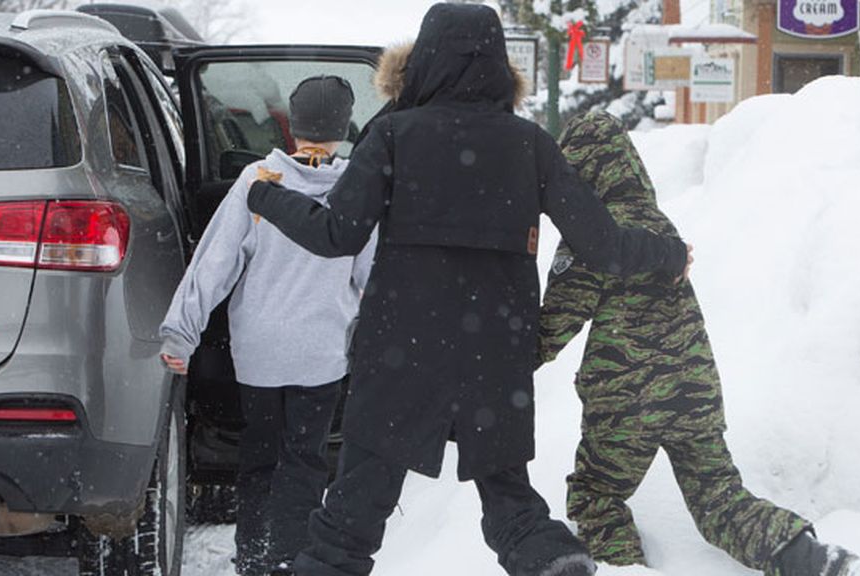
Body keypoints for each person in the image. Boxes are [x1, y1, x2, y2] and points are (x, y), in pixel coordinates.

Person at [246, 5, 691, 576]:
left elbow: (336, 235)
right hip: (495, 352)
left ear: (421, 61)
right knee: (508, 497)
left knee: (351, 518)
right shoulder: (528, 143)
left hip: (401, 348)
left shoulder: (392, 135)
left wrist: (267, 196)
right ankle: (551, 558)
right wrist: (669, 255)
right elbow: (601, 244)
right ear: (500, 65)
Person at [537, 110, 860, 576]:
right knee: (719, 499)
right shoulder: (659, 223)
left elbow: (553, 326)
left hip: (628, 398)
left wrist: (493, 366)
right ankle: (812, 560)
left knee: (596, 497)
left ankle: (624, 569)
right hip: (694, 391)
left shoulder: (592, 235)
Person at [159, 75, 376, 576]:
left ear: (293, 126)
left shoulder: (258, 180)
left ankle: (253, 556)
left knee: (260, 455)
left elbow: (214, 263)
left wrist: (182, 333)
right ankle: (289, 558)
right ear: (343, 128)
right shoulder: (357, 188)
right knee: (305, 457)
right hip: (322, 349)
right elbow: (373, 275)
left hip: (259, 350)